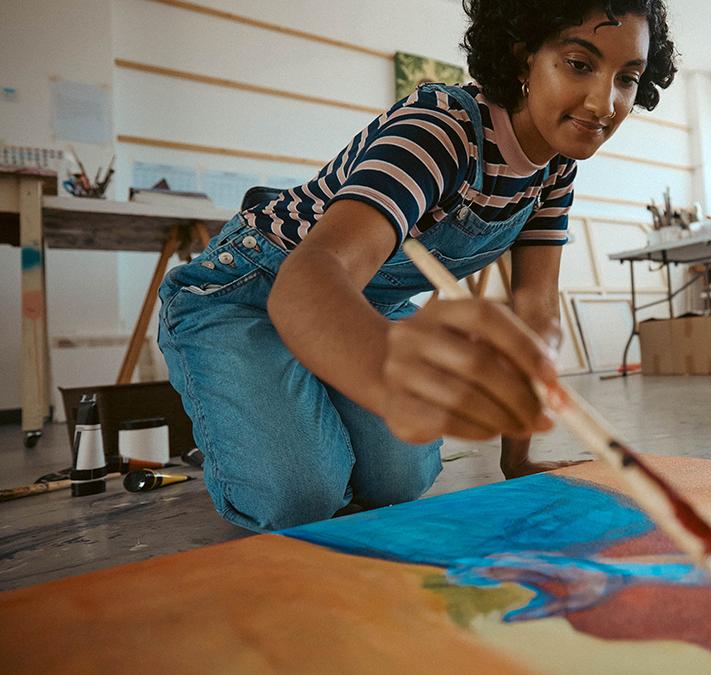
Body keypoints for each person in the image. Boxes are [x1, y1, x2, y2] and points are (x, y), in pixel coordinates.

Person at [156, 0, 677, 532]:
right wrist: (387, 370)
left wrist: (516, 460)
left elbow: (534, 310)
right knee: (299, 499)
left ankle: (298, 406)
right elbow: (311, 276)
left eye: (628, 78)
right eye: (579, 63)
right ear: (523, 57)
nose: (604, 102)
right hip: (247, 292)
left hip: (362, 307)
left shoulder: (555, 170)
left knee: (398, 483)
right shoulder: (439, 131)